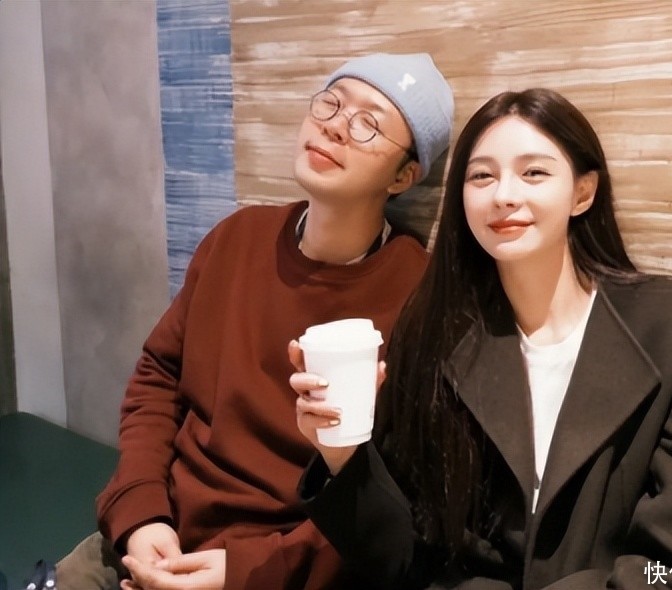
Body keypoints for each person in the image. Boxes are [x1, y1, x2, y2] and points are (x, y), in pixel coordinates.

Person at [293, 88, 672, 589]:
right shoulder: (434, 331)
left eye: (534, 173)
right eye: (481, 176)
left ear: (583, 193)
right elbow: (403, 558)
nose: (504, 195)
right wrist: (341, 454)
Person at [56, 52, 454, 590]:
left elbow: (392, 500)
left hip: (281, 569)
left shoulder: (419, 296)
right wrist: (142, 514)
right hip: (163, 531)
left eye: (368, 124)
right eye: (331, 104)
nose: (335, 126)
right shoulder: (237, 238)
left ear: (404, 176)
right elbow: (158, 377)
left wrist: (245, 570)